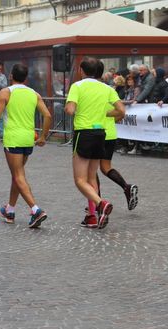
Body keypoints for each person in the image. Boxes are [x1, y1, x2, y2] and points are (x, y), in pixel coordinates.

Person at [0, 63, 52, 228]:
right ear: (26, 78)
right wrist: (43, 136)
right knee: (17, 175)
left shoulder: (6, 92)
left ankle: (36, 210)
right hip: (28, 138)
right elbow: (48, 115)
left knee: (18, 175)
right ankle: (10, 209)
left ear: (10, 76)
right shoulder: (34, 94)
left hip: (13, 138)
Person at [64, 56, 125, 229]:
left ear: (81, 71)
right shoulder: (106, 88)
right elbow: (121, 110)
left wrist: (70, 106)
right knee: (91, 177)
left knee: (79, 180)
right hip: (101, 133)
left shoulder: (77, 86)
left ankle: (101, 203)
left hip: (84, 133)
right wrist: (106, 114)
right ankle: (93, 216)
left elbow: (70, 110)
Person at [94, 61, 138, 228]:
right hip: (110, 133)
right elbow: (121, 113)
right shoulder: (110, 90)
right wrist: (111, 119)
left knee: (91, 168)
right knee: (105, 167)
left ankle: (98, 203)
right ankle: (126, 187)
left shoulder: (88, 90)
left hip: (95, 132)